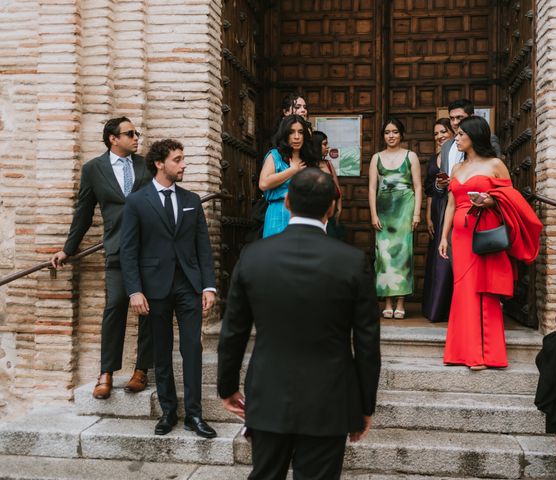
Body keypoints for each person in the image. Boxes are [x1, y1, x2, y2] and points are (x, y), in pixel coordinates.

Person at [217, 168, 381, 480]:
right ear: (331, 208)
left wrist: (227, 386)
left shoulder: (253, 256)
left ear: (288, 202)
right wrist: (364, 404)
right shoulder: (352, 261)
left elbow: (234, 331)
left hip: (268, 393)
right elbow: (367, 342)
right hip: (330, 397)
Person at [49, 117, 153, 400]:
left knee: (149, 309)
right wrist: (67, 249)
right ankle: (106, 372)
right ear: (112, 138)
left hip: (151, 250)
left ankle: (141, 370)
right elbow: (84, 212)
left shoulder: (146, 164)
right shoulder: (94, 169)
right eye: (130, 134)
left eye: (136, 133)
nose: (136, 138)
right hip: (118, 250)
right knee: (115, 305)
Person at [120, 139, 217, 438]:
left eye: (183, 159)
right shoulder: (137, 201)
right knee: (161, 351)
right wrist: (134, 290)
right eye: (178, 159)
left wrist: (209, 286)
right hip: (153, 288)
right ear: (160, 164)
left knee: (192, 348)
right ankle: (168, 412)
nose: (183, 164)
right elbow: (128, 250)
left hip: (188, 285)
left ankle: (194, 415)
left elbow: (203, 246)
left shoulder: (191, 199)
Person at [438, 116, 541, 369]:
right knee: (463, 288)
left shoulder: (496, 164)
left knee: (482, 288)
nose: (457, 138)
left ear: (475, 136)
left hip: (484, 231)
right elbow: (451, 204)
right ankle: (460, 351)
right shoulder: (456, 169)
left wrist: (490, 201)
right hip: (459, 236)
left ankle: (484, 354)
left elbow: (511, 198)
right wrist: (443, 236)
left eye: (461, 134)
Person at [368, 118, 422, 319]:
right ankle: (387, 301)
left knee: (403, 255)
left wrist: (417, 213)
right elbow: (372, 187)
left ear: (401, 135)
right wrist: (373, 213)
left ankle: (400, 301)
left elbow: (418, 186)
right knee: (383, 256)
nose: (391, 136)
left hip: (405, 209)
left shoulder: (411, 156)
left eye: (395, 132)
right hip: (383, 209)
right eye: (387, 132)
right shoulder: (376, 158)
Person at [259, 114, 318, 238]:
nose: (296, 137)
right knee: (276, 254)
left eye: (300, 132)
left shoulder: (308, 159)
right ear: (285, 134)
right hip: (279, 213)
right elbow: (264, 183)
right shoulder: (275, 156)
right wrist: (293, 170)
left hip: (305, 214)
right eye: (291, 132)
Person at [421, 118, 455, 322]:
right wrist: (427, 214)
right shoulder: (434, 159)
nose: (439, 136)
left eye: (443, 131)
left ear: (452, 133)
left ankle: (447, 307)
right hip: (436, 208)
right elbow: (429, 189)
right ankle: (433, 306)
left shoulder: (458, 154)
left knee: (448, 254)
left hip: (452, 206)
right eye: (436, 133)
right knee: (436, 254)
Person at [435, 98, 501, 196]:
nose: (455, 122)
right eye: (452, 118)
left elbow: (497, 176)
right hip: (451, 204)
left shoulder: (489, 139)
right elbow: (443, 184)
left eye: (459, 117)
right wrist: (439, 185)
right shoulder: (447, 146)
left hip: (479, 203)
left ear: (472, 117)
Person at [312, 130, 343, 238]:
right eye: (324, 144)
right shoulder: (307, 166)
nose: (328, 147)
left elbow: (337, 188)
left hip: (332, 216)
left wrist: (339, 208)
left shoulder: (328, 164)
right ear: (316, 145)